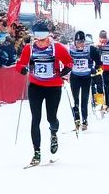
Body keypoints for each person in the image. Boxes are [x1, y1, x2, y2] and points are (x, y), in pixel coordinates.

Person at [16, 20, 73, 165]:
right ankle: (37, 152)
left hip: (54, 87)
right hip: (35, 86)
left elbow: (69, 62)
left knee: (51, 117)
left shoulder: (57, 47)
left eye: (43, 40)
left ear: (48, 37)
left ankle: (53, 133)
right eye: (38, 40)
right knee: (35, 119)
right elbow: (20, 63)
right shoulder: (29, 49)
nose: (41, 43)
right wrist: (22, 69)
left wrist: (66, 69)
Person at [67, 30, 101, 131]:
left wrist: (95, 69)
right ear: (74, 42)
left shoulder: (90, 49)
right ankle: (77, 119)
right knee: (76, 99)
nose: (79, 44)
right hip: (75, 77)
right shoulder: (70, 49)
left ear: (84, 41)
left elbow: (99, 61)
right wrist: (64, 71)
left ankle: (84, 120)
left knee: (84, 100)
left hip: (86, 77)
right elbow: (65, 60)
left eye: (81, 42)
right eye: (77, 42)